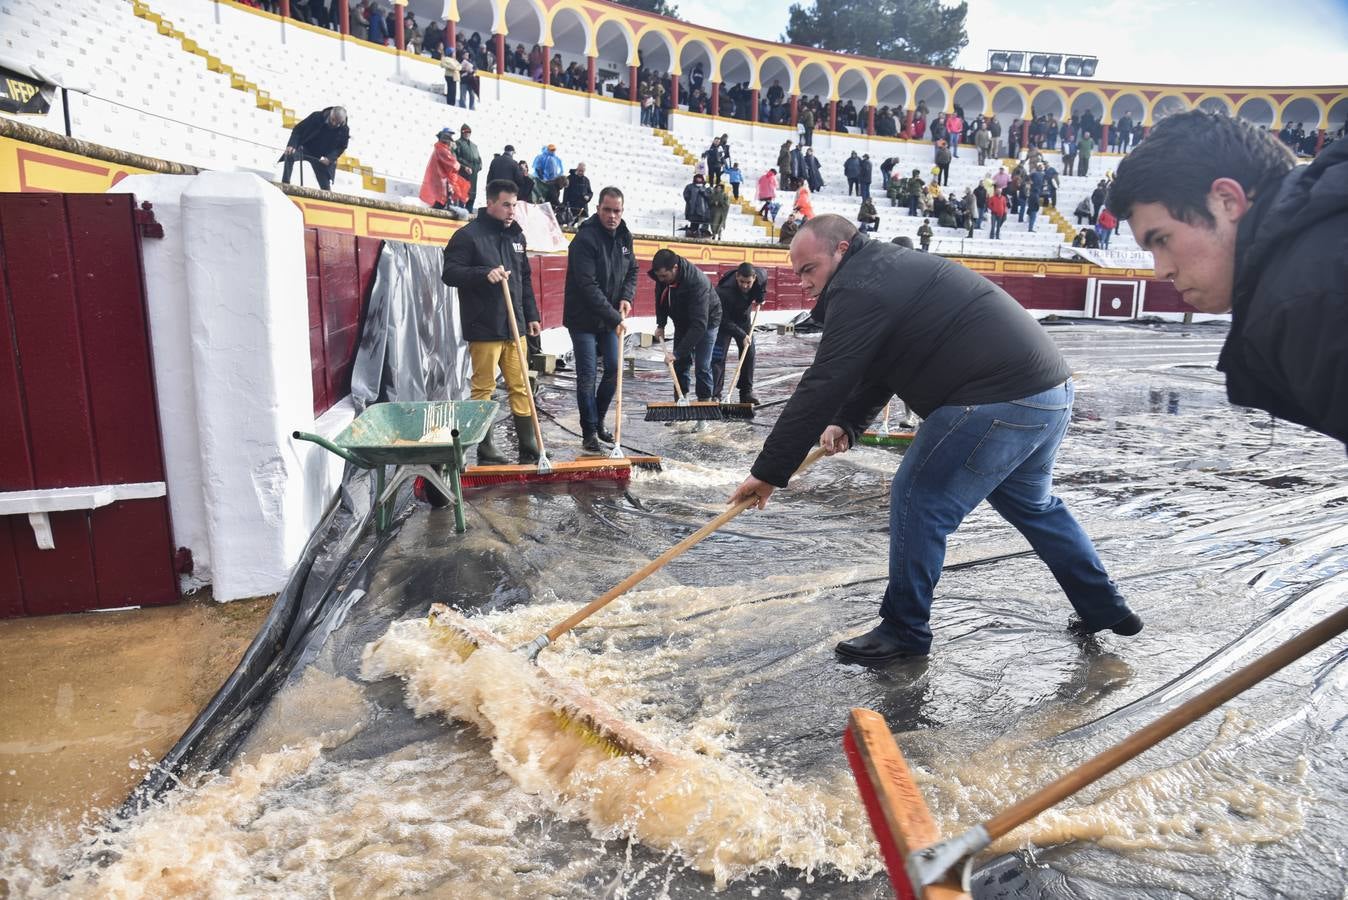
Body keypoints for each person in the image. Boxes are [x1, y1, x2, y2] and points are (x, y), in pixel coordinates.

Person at [727, 214, 1141, 663]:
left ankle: (904, 629)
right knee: (1034, 507)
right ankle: (1103, 605)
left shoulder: (859, 286)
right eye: (797, 272)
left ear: (841, 250)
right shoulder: (885, 270)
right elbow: (883, 361)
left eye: (809, 270)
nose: (803, 283)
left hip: (996, 400)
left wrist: (768, 472)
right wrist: (848, 423)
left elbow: (824, 380)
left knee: (918, 496)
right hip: (1049, 395)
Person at [1109, 110, 1347, 446]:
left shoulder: (1305, 297)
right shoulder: (1315, 252)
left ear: (1227, 201)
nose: (1160, 270)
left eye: (1161, 239)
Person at [441, 179, 542, 465]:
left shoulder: (517, 237)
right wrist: (484, 273)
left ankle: (529, 446)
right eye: (506, 204)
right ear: (491, 204)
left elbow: (525, 281)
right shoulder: (468, 236)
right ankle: (486, 448)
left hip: (515, 326)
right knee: (484, 388)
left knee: (521, 385)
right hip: (484, 327)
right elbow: (449, 273)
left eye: (515, 205)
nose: (512, 211)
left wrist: (531, 315)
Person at [563, 187, 636, 452]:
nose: (612, 216)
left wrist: (627, 296)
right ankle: (589, 431)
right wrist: (615, 316)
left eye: (617, 211)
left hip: (609, 319)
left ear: (622, 211)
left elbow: (633, 271)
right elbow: (587, 285)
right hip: (583, 318)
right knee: (587, 376)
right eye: (607, 210)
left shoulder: (625, 236)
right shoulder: (585, 239)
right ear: (598, 209)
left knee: (615, 369)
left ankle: (600, 419)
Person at [650, 249, 722, 402]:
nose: (661, 279)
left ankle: (704, 404)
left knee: (702, 365)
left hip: (707, 321)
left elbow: (699, 325)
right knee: (680, 364)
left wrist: (676, 353)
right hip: (682, 319)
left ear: (675, 268)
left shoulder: (697, 282)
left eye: (664, 276)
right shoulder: (663, 279)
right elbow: (660, 300)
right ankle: (681, 400)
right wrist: (661, 324)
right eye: (659, 276)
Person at [711, 263, 765, 404]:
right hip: (724, 322)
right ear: (736, 277)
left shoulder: (760, 276)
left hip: (743, 319)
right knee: (718, 356)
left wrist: (760, 296)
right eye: (741, 281)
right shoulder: (723, 291)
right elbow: (723, 320)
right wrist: (742, 335)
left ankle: (746, 392)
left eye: (748, 283)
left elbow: (763, 284)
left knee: (749, 352)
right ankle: (715, 395)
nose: (745, 286)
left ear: (754, 278)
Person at [280, 106, 348, 191]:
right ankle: (285, 185)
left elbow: (341, 147)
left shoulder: (344, 129)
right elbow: (298, 129)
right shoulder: (316, 116)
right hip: (305, 149)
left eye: (338, 123)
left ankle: (327, 201)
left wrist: (329, 159)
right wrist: (292, 145)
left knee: (326, 188)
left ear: (342, 121)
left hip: (322, 158)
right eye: (333, 120)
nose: (334, 124)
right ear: (330, 113)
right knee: (290, 154)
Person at [418, 127, 465, 210]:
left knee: (441, 201)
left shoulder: (442, 148)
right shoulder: (441, 149)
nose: (450, 139)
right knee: (440, 201)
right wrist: (461, 166)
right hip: (440, 179)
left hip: (441, 178)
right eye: (449, 136)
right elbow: (452, 164)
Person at [454, 124, 481, 211]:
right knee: (462, 196)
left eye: (469, 132)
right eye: (465, 131)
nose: (467, 133)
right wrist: (464, 167)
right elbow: (455, 158)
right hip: (463, 175)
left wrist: (479, 167)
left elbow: (479, 159)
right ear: (462, 132)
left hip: (474, 175)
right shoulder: (457, 143)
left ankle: (469, 213)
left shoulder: (474, 146)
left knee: (472, 196)